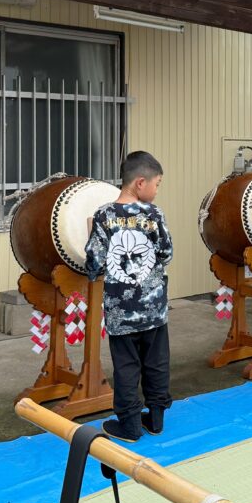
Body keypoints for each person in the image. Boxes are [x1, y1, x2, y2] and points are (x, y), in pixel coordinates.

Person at [83, 151, 174, 443]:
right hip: (154, 307)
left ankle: (130, 425)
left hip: (121, 310)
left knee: (126, 366)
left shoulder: (104, 215)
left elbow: (94, 263)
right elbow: (167, 253)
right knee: (156, 362)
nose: (157, 190)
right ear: (139, 182)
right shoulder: (154, 214)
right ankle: (156, 420)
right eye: (156, 184)